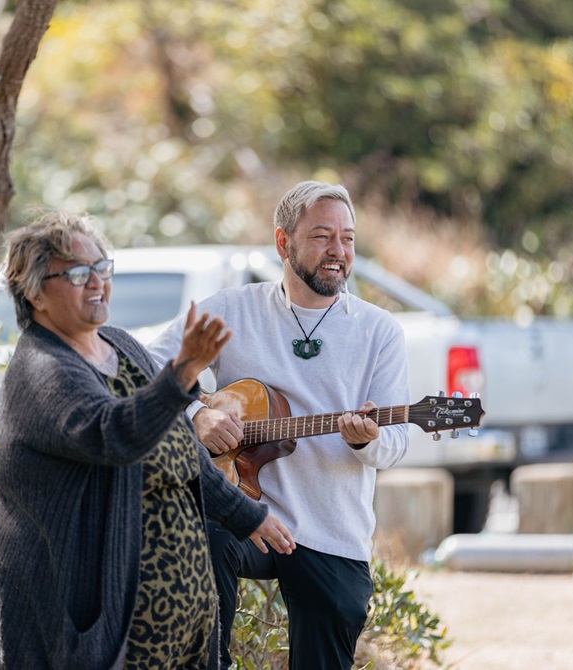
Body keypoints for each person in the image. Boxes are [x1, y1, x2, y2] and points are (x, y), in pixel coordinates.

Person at [0, 211, 295, 670]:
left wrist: (246, 515)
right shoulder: (42, 371)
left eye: (104, 268)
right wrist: (181, 373)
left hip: (168, 638)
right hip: (66, 622)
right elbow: (114, 436)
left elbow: (180, 446)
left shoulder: (120, 345)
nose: (97, 283)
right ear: (35, 291)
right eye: (79, 273)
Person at [148, 181, 410, 669]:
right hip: (243, 512)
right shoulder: (232, 310)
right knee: (203, 535)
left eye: (348, 239)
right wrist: (197, 414)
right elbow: (144, 364)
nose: (338, 251)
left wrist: (368, 442)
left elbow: (397, 442)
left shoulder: (379, 331)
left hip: (330, 528)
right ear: (283, 243)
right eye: (322, 236)